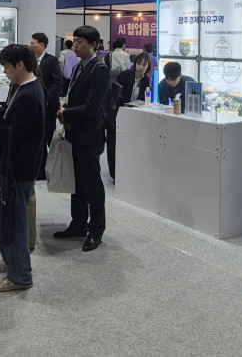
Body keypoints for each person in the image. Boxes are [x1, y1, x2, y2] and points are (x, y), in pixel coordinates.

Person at [0, 44, 45, 292]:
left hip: (19, 167)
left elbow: (9, 132)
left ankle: (21, 277)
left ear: (19, 65)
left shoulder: (29, 93)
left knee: (16, 225)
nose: (5, 72)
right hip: (15, 165)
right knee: (8, 219)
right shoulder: (26, 87)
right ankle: (11, 262)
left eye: (6, 67)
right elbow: (13, 120)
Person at [54, 26, 110, 252]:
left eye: (80, 42)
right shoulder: (79, 66)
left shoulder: (99, 69)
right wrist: (65, 109)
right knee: (76, 182)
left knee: (92, 185)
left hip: (90, 136)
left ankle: (96, 229)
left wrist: (67, 113)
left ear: (93, 45)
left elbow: (92, 106)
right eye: (74, 40)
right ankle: (78, 223)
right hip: (75, 132)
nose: (75, 45)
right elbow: (75, 97)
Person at [107, 52, 153, 180]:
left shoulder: (146, 80)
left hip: (133, 115)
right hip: (118, 113)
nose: (140, 67)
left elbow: (146, 98)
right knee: (114, 144)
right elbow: (116, 96)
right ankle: (115, 174)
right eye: (139, 63)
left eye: (144, 65)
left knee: (128, 145)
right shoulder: (124, 75)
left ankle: (126, 172)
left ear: (148, 66)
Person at [30, 32, 62, 180]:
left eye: (33, 43)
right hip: (36, 107)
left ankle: (56, 170)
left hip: (49, 106)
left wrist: (46, 98)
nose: (31, 45)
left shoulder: (51, 60)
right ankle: (41, 171)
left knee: (49, 137)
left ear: (42, 45)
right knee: (39, 139)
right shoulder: (32, 61)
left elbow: (57, 82)